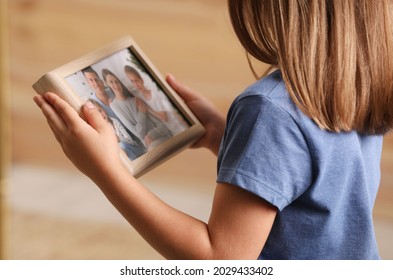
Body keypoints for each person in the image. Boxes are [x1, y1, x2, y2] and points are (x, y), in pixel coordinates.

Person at [33, 0, 393, 259]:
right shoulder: (352, 88)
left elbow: (220, 259)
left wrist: (107, 173)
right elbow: (315, 183)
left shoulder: (269, 108)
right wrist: (223, 136)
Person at [82, 66, 146, 158]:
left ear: (100, 79)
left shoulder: (114, 91)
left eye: (96, 79)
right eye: (91, 80)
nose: (95, 83)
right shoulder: (92, 103)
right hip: (122, 142)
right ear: (88, 83)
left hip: (136, 131)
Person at [102, 68, 172, 150]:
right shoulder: (114, 106)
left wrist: (151, 135)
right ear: (107, 84)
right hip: (150, 144)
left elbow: (163, 125)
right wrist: (142, 113)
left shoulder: (135, 99)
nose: (116, 85)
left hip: (161, 136)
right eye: (111, 82)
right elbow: (139, 134)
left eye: (116, 81)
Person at [124, 65, 188, 135]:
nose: (136, 84)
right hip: (172, 130)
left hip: (179, 127)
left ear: (141, 80)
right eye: (132, 81)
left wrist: (147, 108)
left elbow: (164, 118)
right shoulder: (139, 96)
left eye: (137, 80)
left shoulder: (154, 95)